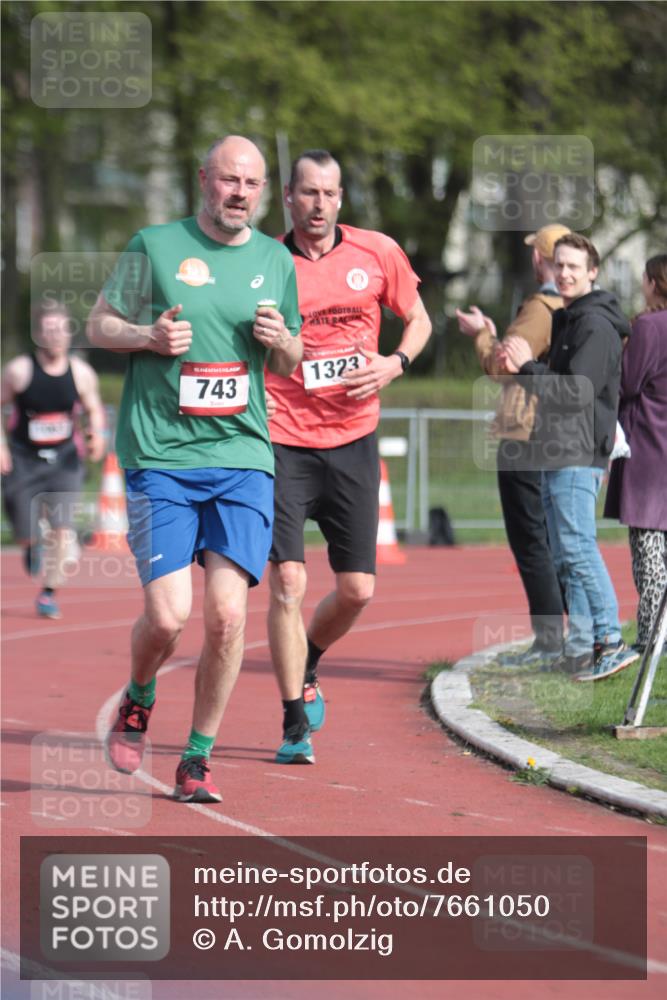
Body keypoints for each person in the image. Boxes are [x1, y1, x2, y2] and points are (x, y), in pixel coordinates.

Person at [87, 135, 303, 803]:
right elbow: (99, 325)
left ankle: (197, 757)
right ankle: (140, 694)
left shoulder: (275, 258)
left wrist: (281, 343)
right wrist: (146, 336)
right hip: (162, 456)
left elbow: (292, 359)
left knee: (228, 617)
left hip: (241, 457)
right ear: (203, 179)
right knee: (168, 616)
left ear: (262, 192)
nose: (239, 192)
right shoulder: (155, 245)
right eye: (228, 179)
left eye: (251, 183)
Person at [264, 149, 432, 764]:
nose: (318, 205)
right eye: (307, 193)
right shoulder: (265, 260)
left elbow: (418, 320)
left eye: (329, 194)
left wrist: (395, 362)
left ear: (341, 198)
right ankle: (292, 722)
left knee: (357, 590)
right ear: (289, 196)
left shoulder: (376, 252)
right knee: (286, 580)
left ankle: (308, 658)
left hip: (354, 438)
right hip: (282, 436)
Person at [503, 233, 638, 681]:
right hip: (558, 447)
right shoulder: (570, 317)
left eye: (574, 267)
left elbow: (575, 391)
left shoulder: (595, 324)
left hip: (579, 451)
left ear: (592, 272)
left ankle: (610, 641)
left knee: (578, 548)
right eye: (558, 265)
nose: (564, 273)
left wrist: (526, 366)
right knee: (564, 552)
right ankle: (582, 648)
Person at [456, 224, 570, 667]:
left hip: (525, 433)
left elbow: (502, 366)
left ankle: (548, 643)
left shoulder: (541, 309)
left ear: (540, 259)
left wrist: (481, 334)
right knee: (556, 538)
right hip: (556, 432)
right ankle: (570, 636)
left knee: (531, 540)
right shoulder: (575, 307)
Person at [1, 301, 106, 619]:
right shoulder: (19, 371)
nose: (55, 336)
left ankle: (49, 593)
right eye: (49, 330)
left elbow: (94, 409)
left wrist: (97, 434)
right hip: (23, 460)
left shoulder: (82, 373)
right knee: (24, 529)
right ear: (39, 334)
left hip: (64, 460)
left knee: (63, 528)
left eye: (61, 329)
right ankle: (31, 544)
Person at [604, 255, 667, 651]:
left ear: (651, 282)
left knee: (649, 553)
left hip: (649, 448)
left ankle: (651, 637)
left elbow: (627, 383)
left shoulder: (649, 326)